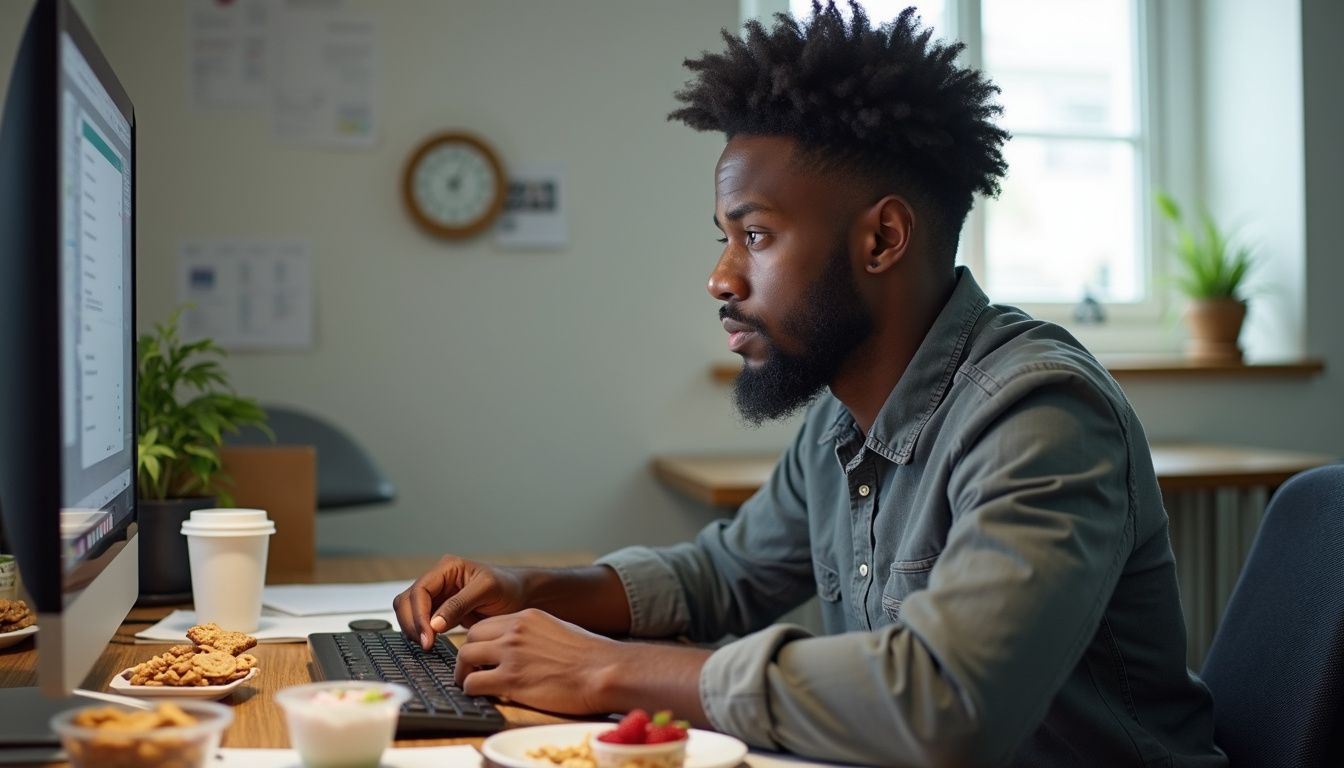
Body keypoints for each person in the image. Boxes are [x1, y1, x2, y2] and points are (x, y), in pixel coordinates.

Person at [394, 3, 1227, 765]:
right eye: (725, 237)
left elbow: (947, 698)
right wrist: (535, 589)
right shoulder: (841, 420)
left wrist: (609, 671)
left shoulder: (1039, 414)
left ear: (883, 238)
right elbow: (721, 576)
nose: (720, 277)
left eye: (754, 235)